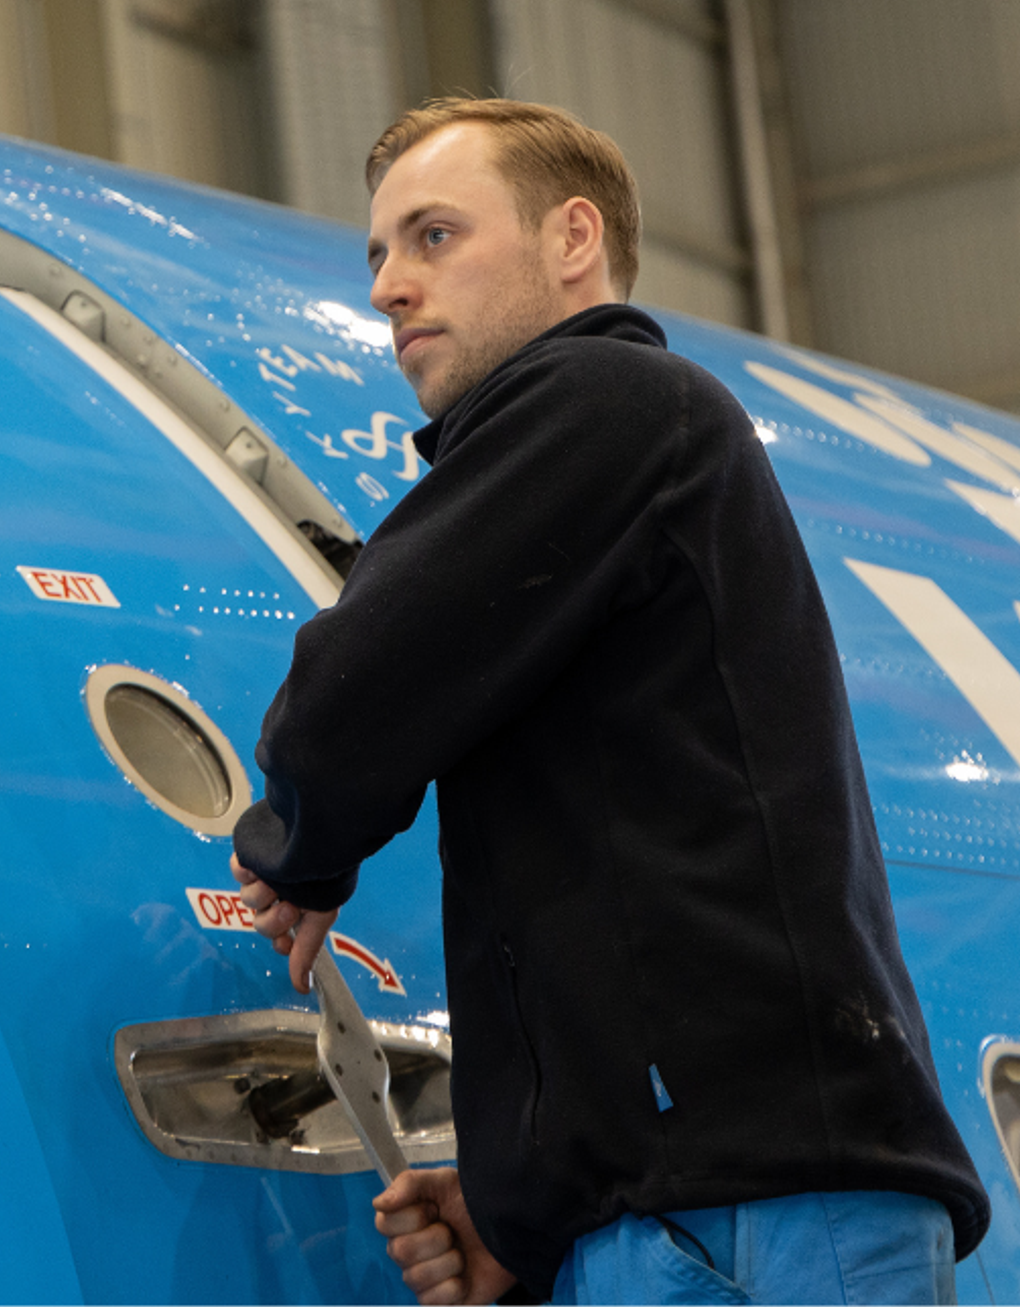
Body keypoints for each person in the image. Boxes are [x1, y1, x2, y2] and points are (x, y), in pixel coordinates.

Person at [230, 98, 989, 1305]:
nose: (386, 287)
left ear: (570, 237)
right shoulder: (613, 484)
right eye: (375, 253)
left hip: (763, 1212)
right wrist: (523, 1205)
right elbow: (615, 896)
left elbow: (353, 690)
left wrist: (295, 849)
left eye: (431, 237)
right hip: (676, 1209)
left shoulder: (614, 398)